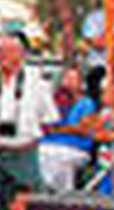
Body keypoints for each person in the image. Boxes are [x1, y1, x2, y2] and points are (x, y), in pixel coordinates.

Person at [0, 34, 56, 210]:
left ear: (21, 53)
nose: (4, 55)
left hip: (23, 152)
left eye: (10, 50)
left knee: (29, 204)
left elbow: (49, 119)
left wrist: (30, 138)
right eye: (0, 51)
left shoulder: (37, 82)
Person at [38, 66, 96, 194]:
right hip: (48, 144)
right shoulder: (52, 101)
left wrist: (57, 129)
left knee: (58, 159)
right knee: (40, 155)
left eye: (73, 79)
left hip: (74, 147)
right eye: (67, 78)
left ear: (81, 83)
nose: (69, 82)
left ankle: (64, 194)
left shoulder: (86, 103)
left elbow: (84, 130)